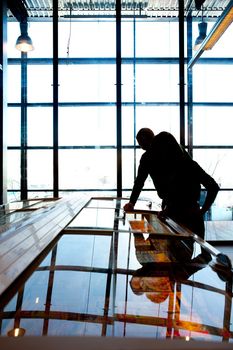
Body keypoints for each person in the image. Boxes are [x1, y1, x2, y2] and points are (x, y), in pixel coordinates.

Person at [124, 128, 220, 239]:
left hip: (174, 215)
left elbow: (140, 182)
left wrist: (132, 202)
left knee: (174, 252)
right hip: (189, 215)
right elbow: (213, 187)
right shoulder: (188, 164)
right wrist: (201, 212)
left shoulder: (156, 161)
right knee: (190, 252)